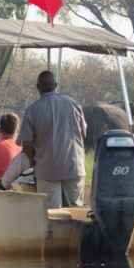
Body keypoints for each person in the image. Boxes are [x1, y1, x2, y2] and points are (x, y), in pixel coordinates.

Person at [17, 71, 87, 208]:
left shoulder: (32, 110)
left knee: (52, 214)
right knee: (76, 212)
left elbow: (26, 145)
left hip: (47, 170)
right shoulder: (74, 104)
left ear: (38, 87)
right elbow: (83, 134)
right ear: (55, 85)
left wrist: (34, 163)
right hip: (74, 167)